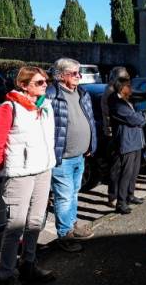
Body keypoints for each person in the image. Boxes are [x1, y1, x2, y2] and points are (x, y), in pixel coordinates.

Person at [0, 67, 56, 284]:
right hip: (20, 175)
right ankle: (7, 275)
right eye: (39, 83)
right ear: (23, 85)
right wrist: (9, 166)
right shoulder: (9, 108)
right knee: (15, 227)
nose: (45, 85)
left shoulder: (43, 106)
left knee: (35, 223)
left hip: (43, 170)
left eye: (46, 81)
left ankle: (29, 265)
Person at [45, 58, 98, 253]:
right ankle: (64, 235)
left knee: (74, 193)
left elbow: (90, 120)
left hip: (80, 155)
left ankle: (72, 225)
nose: (79, 76)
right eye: (74, 73)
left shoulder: (82, 93)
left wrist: (91, 143)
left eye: (79, 73)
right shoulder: (51, 94)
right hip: (62, 158)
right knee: (64, 197)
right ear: (60, 75)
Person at [106, 77, 146, 214]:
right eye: (128, 86)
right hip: (126, 142)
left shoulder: (126, 100)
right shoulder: (116, 103)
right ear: (121, 88)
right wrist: (142, 117)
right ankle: (121, 202)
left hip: (136, 141)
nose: (131, 88)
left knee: (134, 172)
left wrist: (140, 117)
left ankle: (130, 195)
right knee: (125, 173)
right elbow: (133, 118)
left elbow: (136, 117)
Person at [101, 66, 130, 137]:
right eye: (125, 77)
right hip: (115, 129)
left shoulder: (111, 88)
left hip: (114, 128)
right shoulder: (112, 91)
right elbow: (121, 110)